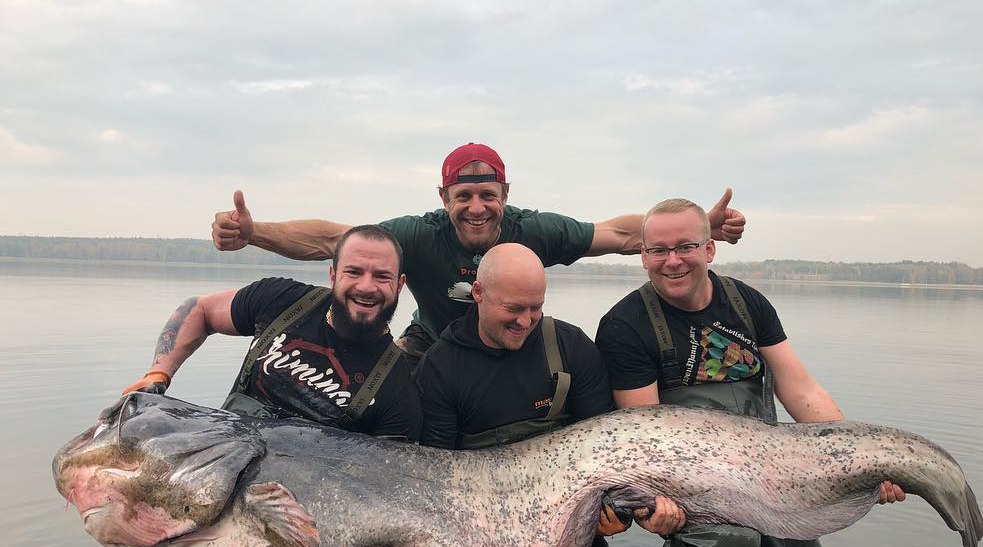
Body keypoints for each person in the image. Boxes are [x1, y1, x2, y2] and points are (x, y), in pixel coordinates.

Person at [68, 225, 423, 547]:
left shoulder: (399, 388)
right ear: (333, 274)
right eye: (354, 272)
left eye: (381, 276)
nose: (366, 286)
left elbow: (395, 496)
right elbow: (200, 310)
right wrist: (159, 373)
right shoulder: (284, 301)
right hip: (205, 518)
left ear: (400, 285)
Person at [595, 198, 905, 547]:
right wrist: (653, 510)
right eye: (659, 250)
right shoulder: (624, 325)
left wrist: (862, 460)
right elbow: (643, 439)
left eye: (685, 247)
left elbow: (802, 391)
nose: (672, 261)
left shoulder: (746, 303)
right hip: (691, 487)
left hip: (767, 474)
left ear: (709, 249)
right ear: (643, 256)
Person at [210, 142, 747, 366]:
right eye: (462, 196)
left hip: (516, 336)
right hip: (431, 341)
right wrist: (255, 233)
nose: (476, 207)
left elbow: (616, 233)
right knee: (391, 381)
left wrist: (696, 227)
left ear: (504, 195)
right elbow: (334, 240)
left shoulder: (533, 229)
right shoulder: (419, 235)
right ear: (444, 198)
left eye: (487, 195)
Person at [407, 243, 681, 547]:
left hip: (567, 529)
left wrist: (614, 511)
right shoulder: (440, 366)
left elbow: (607, 449)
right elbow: (432, 479)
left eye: (535, 307)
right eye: (513, 309)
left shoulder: (569, 346)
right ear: (478, 293)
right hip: (475, 534)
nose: (526, 321)